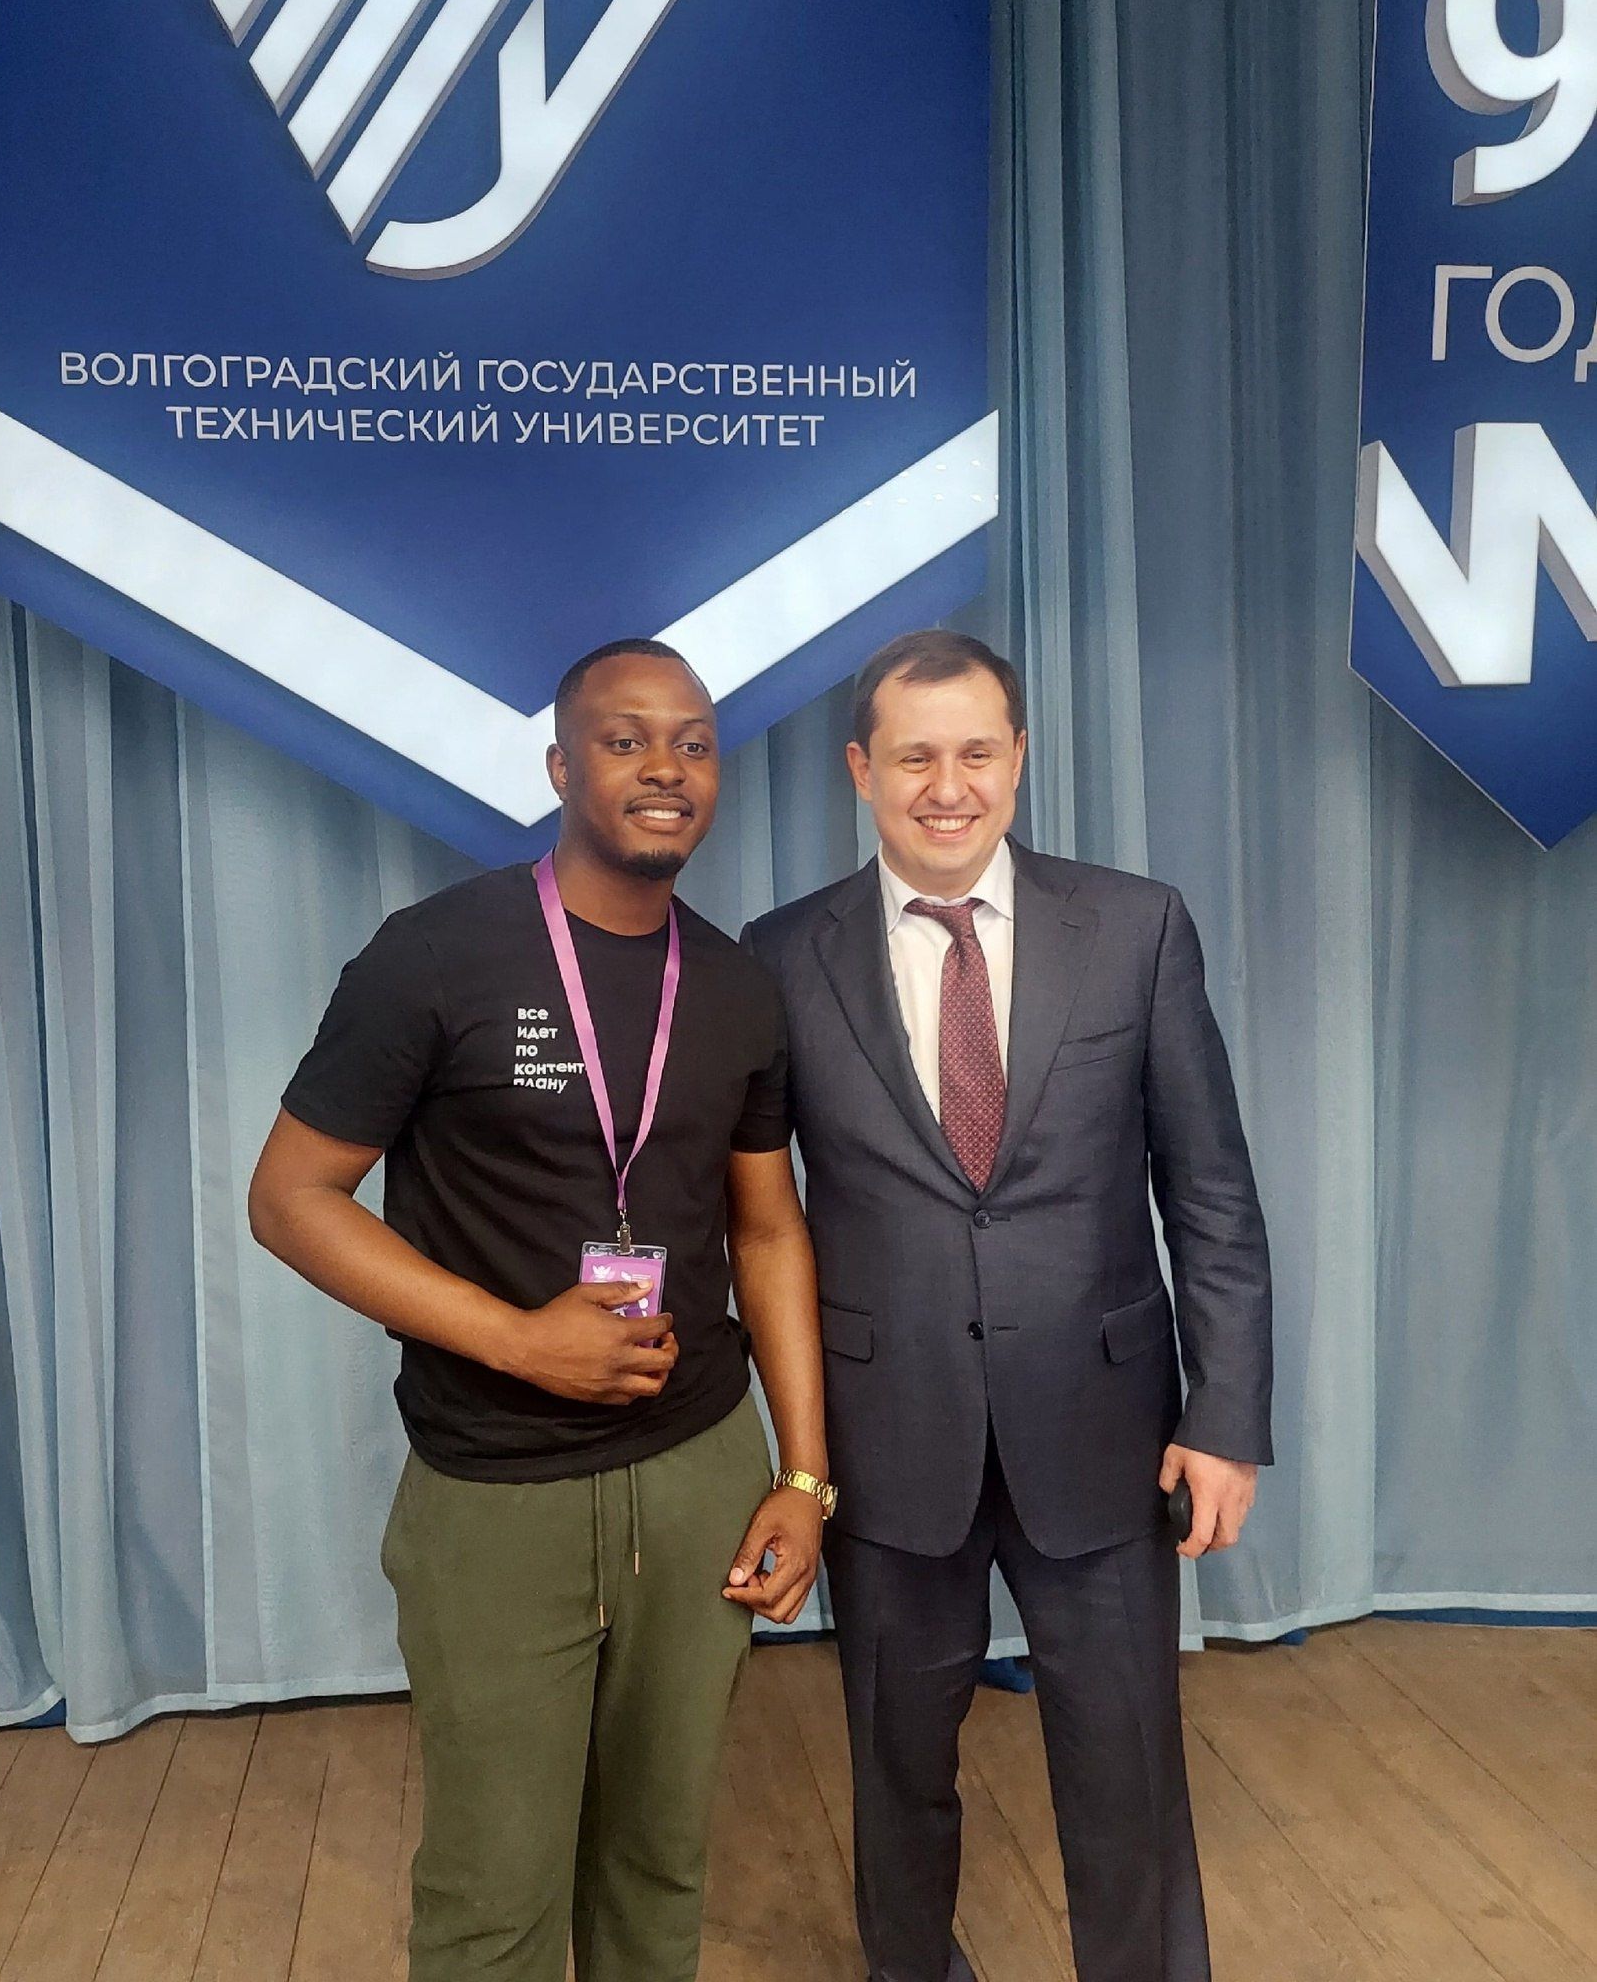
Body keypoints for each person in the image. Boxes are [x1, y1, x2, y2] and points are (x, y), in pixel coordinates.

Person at [248, 638, 831, 1982]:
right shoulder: (433, 956)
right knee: (493, 1893)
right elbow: (289, 1199)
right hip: (495, 1491)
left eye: (693, 743)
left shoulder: (735, 986)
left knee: (658, 1868)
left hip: (699, 1474)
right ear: (563, 768)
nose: (665, 766)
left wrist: (804, 1476)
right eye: (627, 739)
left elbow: (767, 1230)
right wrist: (516, 1340)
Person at [744, 629, 1272, 1982]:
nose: (948, 786)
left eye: (977, 753)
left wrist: (1226, 1417)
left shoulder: (1136, 928)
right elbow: (758, 1218)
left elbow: (1210, 1190)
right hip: (886, 1439)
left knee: (1127, 1768)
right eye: (914, 756)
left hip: (1104, 1431)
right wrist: (790, 1461)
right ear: (861, 769)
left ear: (1020, 759)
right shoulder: (782, 956)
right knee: (895, 1770)